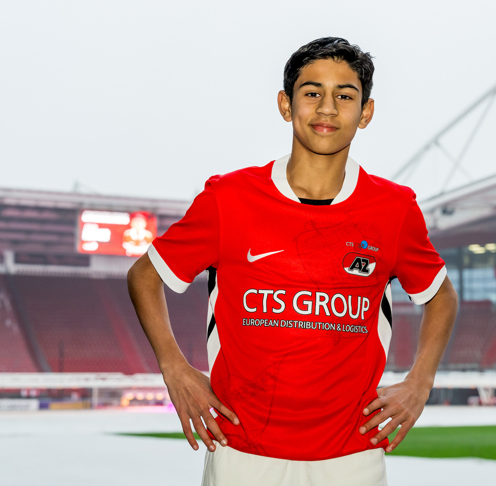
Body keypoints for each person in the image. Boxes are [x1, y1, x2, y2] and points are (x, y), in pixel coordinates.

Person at [127, 37, 458, 486]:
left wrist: (420, 382)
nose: (327, 107)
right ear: (286, 104)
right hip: (242, 453)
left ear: (366, 112)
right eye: (312, 92)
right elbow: (145, 275)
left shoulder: (394, 208)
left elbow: (440, 295)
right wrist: (174, 367)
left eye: (345, 95)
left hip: (352, 454)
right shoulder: (229, 198)